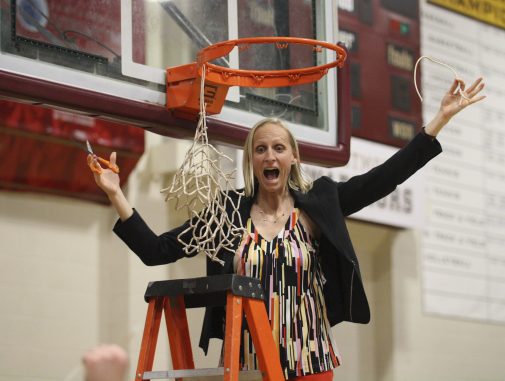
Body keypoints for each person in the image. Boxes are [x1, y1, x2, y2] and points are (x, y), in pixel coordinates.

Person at [88, 78, 485, 380]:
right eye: (260, 149)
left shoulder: (320, 202)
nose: (269, 155)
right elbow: (157, 251)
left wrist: (439, 120)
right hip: (247, 362)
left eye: (278, 147)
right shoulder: (228, 212)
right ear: (252, 160)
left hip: (310, 356)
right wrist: (115, 193)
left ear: (293, 157)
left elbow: (385, 178)